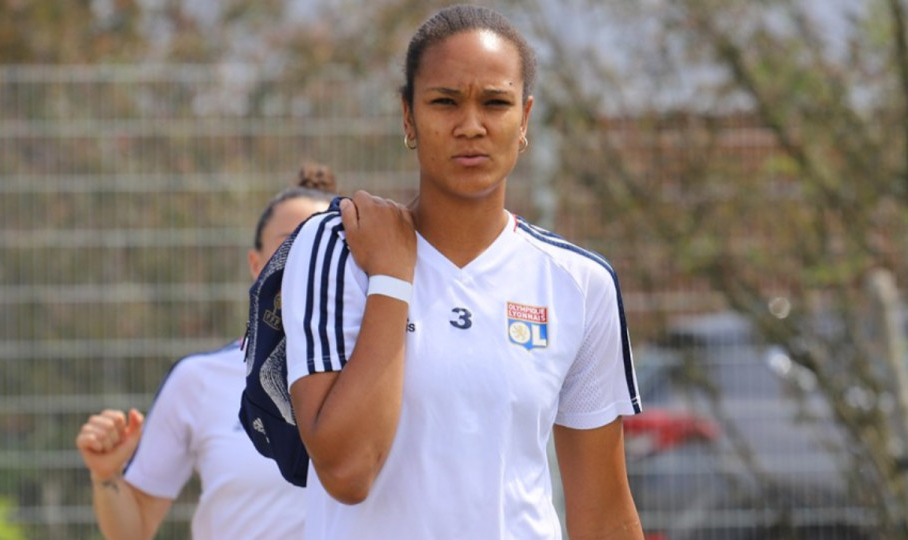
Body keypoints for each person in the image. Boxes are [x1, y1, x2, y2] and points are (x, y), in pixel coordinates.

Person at [282, 6, 645, 539]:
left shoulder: (579, 283)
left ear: (524, 119)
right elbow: (348, 471)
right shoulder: (337, 249)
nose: (471, 125)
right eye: (444, 101)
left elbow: (605, 514)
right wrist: (391, 279)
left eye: (495, 103)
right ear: (408, 116)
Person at [74, 162, 339, 540]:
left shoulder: (383, 372)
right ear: (256, 264)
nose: (304, 260)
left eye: (323, 246)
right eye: (289, 243)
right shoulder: (198, 380)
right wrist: (107, 476)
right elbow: (133, 530)